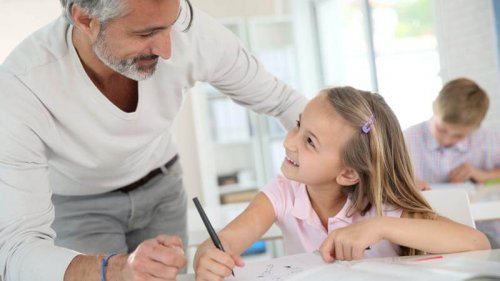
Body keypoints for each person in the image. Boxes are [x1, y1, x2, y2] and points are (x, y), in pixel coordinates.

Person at [0, 0, 308, 280]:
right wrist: (114, 269)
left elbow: (284, 103)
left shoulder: (191, 30)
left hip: (162, 186)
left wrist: (349, 172)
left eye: (169, 26)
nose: (167, 49)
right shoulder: (22, 87)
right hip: (79, 205)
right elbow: (15, 251)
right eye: (145, 33)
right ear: (85, 20)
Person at [193, 86, 490, 280]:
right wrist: (206, 256)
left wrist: (379, 226)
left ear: (348, 173)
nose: (288, 142)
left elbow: (476, 243)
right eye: (298, 125)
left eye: (309, 141)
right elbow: (225, 243)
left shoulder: (382, 205)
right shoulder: (283, 192)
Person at [404, 78, 500, 191]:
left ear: (475, 129)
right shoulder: (406, 140)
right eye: (441, 129)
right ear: (434, 108)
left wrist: (483, 175)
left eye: (458, 136)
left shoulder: (487, 139)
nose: (446, 140)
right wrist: (405, 185)